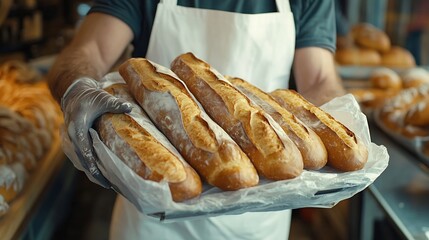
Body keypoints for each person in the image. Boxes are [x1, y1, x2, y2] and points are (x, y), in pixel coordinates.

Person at [47, 0, 346, 239]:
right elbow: (91, 49)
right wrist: (75, 88)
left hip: (259, 217)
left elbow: (319, 79)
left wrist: (338, 123)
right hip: (154, 216)